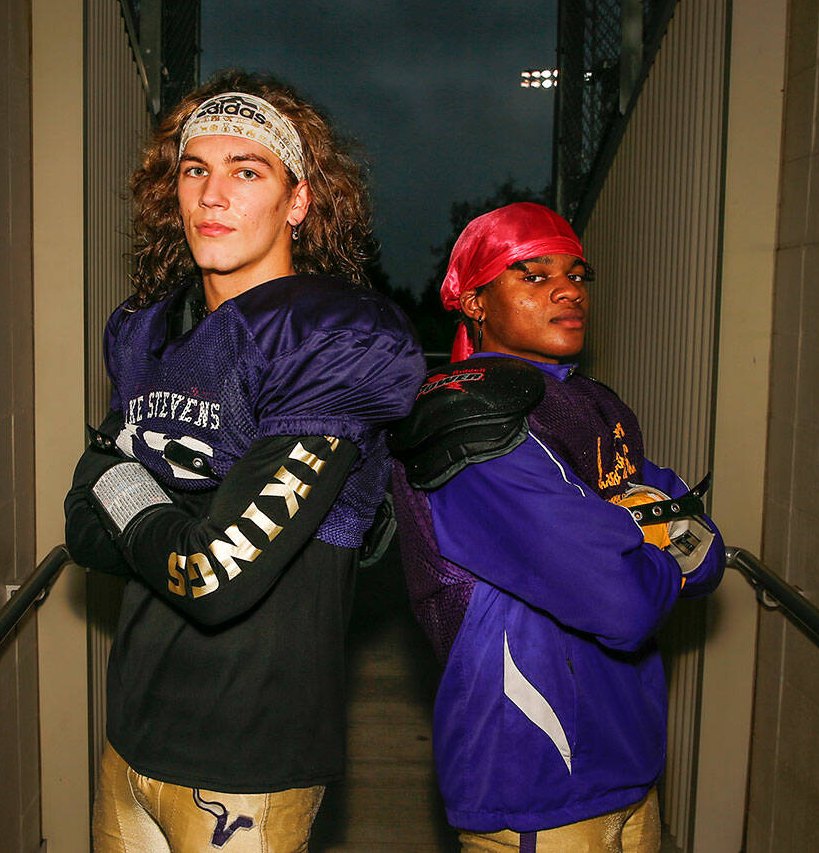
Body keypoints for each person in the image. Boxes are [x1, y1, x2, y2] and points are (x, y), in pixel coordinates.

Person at [64, 70, 426, 853]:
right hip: (130, 731)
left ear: (297, 200)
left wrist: (128, 482)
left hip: (248, 755)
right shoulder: (153, 332)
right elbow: (81, 531)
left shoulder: (329, 339)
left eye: (247, 171)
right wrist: (177, 514)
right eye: (195, 170)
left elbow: (210, 574)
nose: (212, 195)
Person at [388, 202, 725, 852]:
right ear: (477, 302)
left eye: (575, 274)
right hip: (537, 773)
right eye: (534, 276)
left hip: (629, 760)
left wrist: (641, 540)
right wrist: (646, 535)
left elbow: (708, 560)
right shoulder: (466, 418)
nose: (568, 289)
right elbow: (623, 602)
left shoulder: (595, 404)